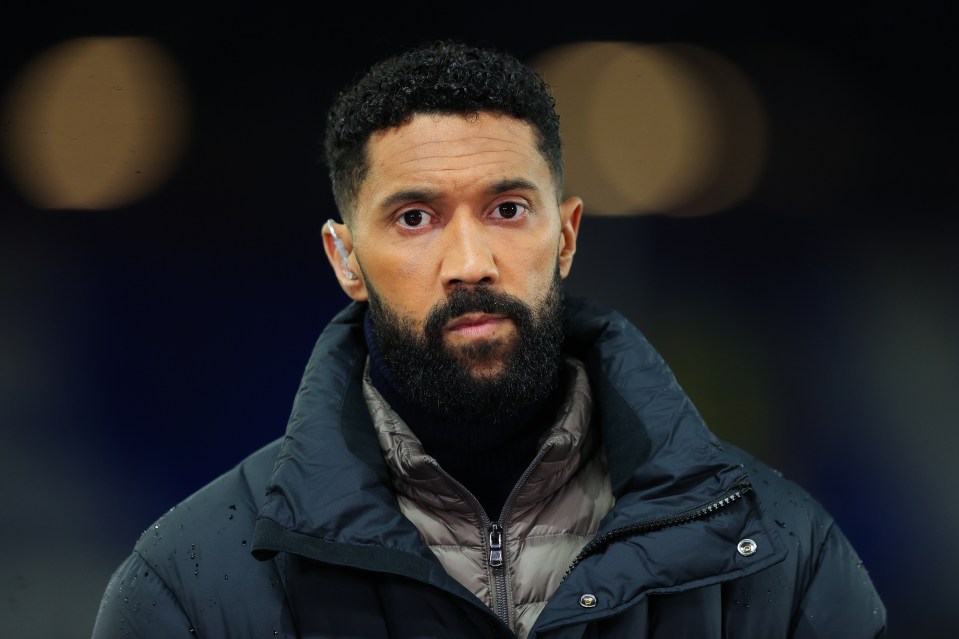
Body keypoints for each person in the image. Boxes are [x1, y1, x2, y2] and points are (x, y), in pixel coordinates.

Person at [91, 39, 887, 638]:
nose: (469, 262)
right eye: (414, 218)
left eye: (507, 209)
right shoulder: (188, 587)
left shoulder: (782, 554)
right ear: (345, 259)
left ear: (566, 235)